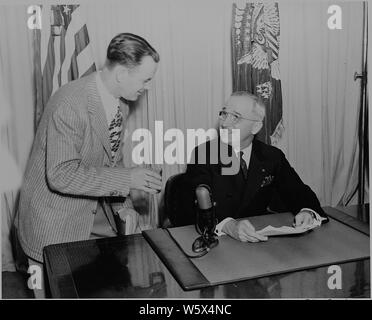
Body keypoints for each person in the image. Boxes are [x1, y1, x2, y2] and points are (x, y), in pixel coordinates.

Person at [14, 33, 162, 296]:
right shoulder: (71, 102)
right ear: (121, 75)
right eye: (145, 79)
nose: (148, 86)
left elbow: (113, 161)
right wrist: (129, 179)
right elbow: (60, 174)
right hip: (53, 226)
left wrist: (125, 208)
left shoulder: (121, 106)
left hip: (91, 222)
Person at [186, 91, 328, 243]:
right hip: (219, 244)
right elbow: (192, 210)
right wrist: (227, 225)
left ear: (255, 127)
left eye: (235, 117)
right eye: (224, 114)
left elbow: (300, 194)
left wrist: (307, 211)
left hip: (259, 243)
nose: (225, 123)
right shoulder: (204, 154)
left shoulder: (271, 156)